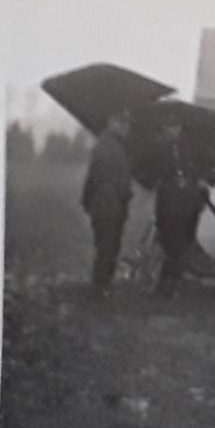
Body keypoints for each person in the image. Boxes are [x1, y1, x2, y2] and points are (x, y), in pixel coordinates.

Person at [143, 114, 210, 297]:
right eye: (169, 127)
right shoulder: (160, 149)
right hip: (168, 202)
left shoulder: (193, 148)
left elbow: (203, 170)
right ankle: (168, 283)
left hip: (187, 202)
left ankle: (173, 283)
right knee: (169, 242)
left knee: (182, 242)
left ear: (181, 128)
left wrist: (201, 193)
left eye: (176, 126)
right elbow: (151, 175)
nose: (173, 130)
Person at [80, 111, 134, 295]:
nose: (126, 128)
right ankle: (100, 287)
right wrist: (120, 194)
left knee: (110, 246)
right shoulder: (107, 145)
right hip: (107, 204)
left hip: (112, 204)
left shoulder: (114, 145)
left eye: (127, 124)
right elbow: (98, 176)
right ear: (111, 122)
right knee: (107, 246)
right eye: (122, 123)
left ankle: (103, 285)